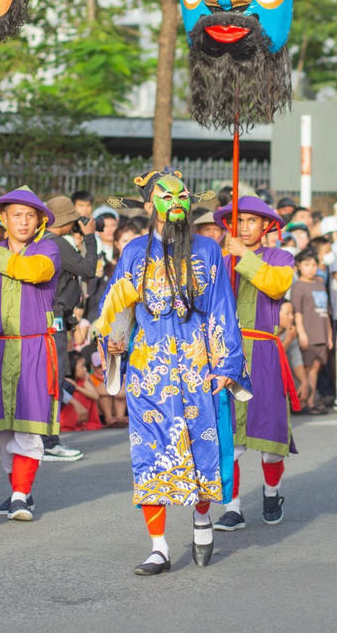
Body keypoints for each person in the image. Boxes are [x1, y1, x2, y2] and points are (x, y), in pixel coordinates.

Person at [95, 168, 244, 575]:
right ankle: (158, 546)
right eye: (166, 197)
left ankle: (200, 516)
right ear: (149, 206)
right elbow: (118, 305)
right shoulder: (133, 252)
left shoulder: (208, 250)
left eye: (182, 197)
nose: (176, 204)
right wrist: (112, 339)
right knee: (152, 451)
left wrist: (227, 364)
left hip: (197, 362)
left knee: (199, 446)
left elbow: (221, 309)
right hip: (149, 366)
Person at [0, 188, 60, 520]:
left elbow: (36, 271)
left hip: (35, 346)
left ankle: (21, 495)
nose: (23, 221)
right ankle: (19, 492)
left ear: (38, 221)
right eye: (17, 215)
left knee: (28, 426)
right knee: (3, 430)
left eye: (30, 215)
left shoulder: (48, 248)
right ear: (4, 218)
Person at [213, 196, 296, 530]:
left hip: (263, 352)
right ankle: (232, 507)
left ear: (266, 226)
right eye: (238, 221)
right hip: (226, 353)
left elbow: (276, 287)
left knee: (269, 438)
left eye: (251, 221)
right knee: (229, 436)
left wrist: (243, 256)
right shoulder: (218, 260)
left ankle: (272, 491)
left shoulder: (281, 257)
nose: (243, 227)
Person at [38, 195, 96, 462]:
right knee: (54, 378)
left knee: (50, 379)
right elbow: (88, 268)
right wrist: (91, 237)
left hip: (52, 318)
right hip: (54, 321)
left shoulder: (44, 241)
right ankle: (49, 441)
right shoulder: (57, 243)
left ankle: (43, 439)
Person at [291, 248, 330, 414]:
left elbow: (326, 311)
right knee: (305, 370)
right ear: (299, 266)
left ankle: (311, 401)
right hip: (308, 333)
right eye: (307, 264)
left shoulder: (320, 285)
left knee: (315, 369)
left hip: (321, 333)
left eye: (314, 265)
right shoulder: (298, 286)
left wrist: (329, 335)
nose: (311, 268)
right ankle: (302, 402)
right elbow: (297, 312)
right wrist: (302, 333)